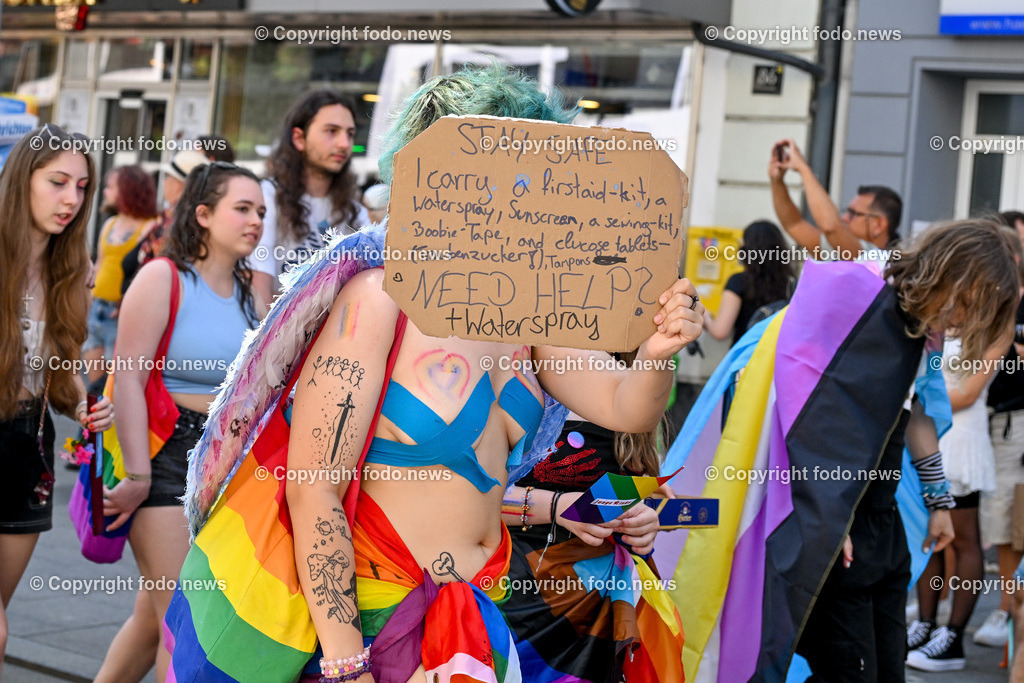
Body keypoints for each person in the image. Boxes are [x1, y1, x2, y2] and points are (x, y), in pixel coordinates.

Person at [794, 220, 1019, 682]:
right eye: (969, 305)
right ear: (950, 273)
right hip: (838, 528)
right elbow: (811, 416)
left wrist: (939, 502)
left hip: (883, 524)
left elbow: (915, 412)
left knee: (887, 670)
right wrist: (829, 517)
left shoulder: (922, 328)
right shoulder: (864, 300)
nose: (961, 323)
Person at [96, 162, 265, 683]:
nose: (256, 220)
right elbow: (127, 379)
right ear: (204, 215)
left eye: (261, 211)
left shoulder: (249, 291)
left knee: (152, 621)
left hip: (223, 464)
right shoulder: (161, 277)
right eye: (242, 209)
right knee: (184, 620)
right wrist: (140, 476)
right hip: (164, 454)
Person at [0, 124, 113, 675]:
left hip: (29, 452)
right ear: (23, 180)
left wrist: (82, 404)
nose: (71, 199)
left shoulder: (72, 272)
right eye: (58, 182)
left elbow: (59, 375)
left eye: (83, 187)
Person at [501, 373, 684, 681]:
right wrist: (558, 507)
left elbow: (627, 490)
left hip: (599, 610)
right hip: (510, 599)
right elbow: (463, 499)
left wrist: (644, 521)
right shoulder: (511, 374)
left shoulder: (633, 383)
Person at [906, 337, 1004, 671]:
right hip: (928, 436)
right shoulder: (943, 325)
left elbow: (967, 393)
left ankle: (953, 637)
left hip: (961, 442)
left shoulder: (997, 327)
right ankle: (925, 624)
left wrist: (908, 401)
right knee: (929, 536)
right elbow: (929, 376)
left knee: (964, 540)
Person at [251, 90, 369, 309]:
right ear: (299, 138)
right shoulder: (266, 197)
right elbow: (260, 292)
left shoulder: (355, 213)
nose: (344, 143)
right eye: (331, 131)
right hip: (276, 338)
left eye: (350, 134)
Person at [82, 165, 158, 390]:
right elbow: (100, 264)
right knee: (95, 386)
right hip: (96, 310)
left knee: (115, 386)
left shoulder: (149, 228)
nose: (105, 191)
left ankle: (104, 426)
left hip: (121, 314)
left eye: (111, 187)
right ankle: (93, 426)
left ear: (127, 190)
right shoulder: (109, 223)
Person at [769, 138, 901, 260]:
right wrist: (777, 181)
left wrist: (803, 168)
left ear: (878, 225)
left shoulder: (880, 260)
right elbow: (794, 224)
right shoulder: (841, 249)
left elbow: (831, 227)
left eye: (853, 214)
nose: (845, 218)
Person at [120, 150, 210, 295]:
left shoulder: (179, 222)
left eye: (167, 177)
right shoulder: (167, 218)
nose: (164, 181)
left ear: (179, 185)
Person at [703, 219, 796, 345]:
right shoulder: (791, 283)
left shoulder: (739, 281)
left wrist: (705, 316)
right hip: (775, 359)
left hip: (746, 360)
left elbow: (720, 331)